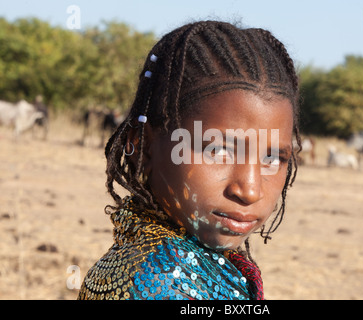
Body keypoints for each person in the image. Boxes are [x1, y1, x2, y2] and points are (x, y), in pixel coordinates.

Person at [77, 20, 301, 300]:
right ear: (144, 146)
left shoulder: (183, 263)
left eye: (272, 158)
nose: (250, 190)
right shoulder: (159, 285)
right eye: (218, 151)